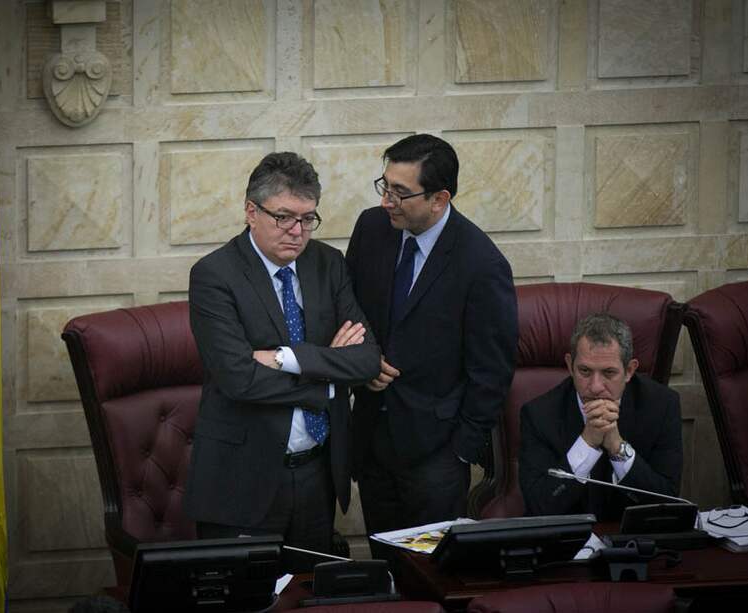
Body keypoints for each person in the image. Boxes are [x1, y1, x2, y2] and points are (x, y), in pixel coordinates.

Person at [184, 152, 381, 563]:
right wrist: (328, 378)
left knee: (311, 598)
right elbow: (238, 377)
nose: (297, 232)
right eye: (284, 217)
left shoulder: (327, 264)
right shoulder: (214, 275)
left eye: (308, 219)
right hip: (241, 478)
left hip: (317, 474)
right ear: (251, 211)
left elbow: (365, 360)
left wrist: (287, 358)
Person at [345, 134, 518, 545]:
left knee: (429, 576)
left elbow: (491, 371)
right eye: (385, 186)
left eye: (401, 193)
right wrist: (362, 362)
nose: (387, 200)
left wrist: (460, 450)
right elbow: (349, 309)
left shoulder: (482, 264)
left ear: (439, 199)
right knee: (385, 569)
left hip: (435, 456)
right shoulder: (371, 228)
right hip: (371, 441)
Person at [519, 313, 683, 521]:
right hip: (569, 545)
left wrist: (617, 447)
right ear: (570, 366)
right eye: (585, 371)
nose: (596, 387)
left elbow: (667, 502)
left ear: (629, 371)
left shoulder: (661, 406)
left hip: (634, 542)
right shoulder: (539, 415)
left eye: (608, 373)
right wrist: (587, 443)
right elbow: (539, 507)